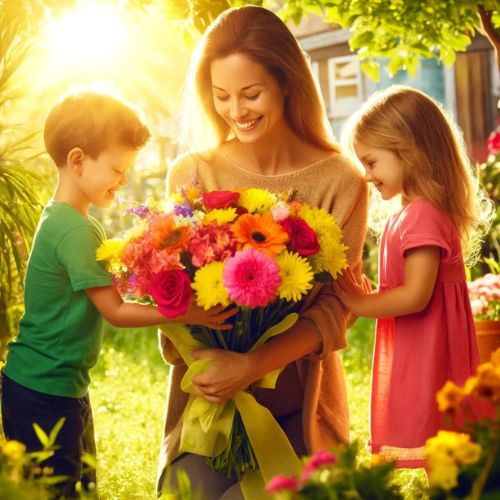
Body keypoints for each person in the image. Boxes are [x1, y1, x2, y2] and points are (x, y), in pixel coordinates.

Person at [158, 5, 368, 499]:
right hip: (206, 408)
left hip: (301, 407)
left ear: (287, 82)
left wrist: (255, 364)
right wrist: (213, 364)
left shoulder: (341, 180)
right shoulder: (191, 173)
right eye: (222, 96)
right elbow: (166, 291)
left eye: (252, 94)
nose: (237, 110)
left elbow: (338, 306)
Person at [0, 91, 236, 498]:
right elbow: (116, 311)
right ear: (77, 161)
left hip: (54, 383)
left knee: (77, 482)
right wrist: (185, 312)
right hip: (45, 390)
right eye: (117, 169)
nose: (123, 180)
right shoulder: (76, 229)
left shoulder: (61, 218)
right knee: (59, 489)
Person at [333, 85, 494, 468]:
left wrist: (361, 302)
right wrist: (370, 293)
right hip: (422, 349)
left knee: (445, 456)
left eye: (371, 163)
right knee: (441, 458)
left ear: (409, 150)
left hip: (431, 356)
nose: (367, 176)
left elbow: (415, 296)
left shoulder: (422, 214)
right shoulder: (407, 214)